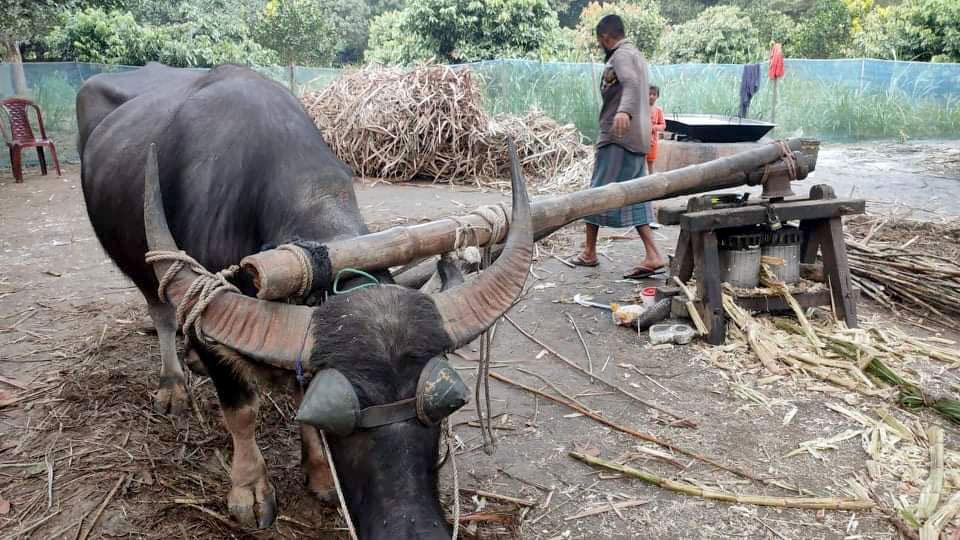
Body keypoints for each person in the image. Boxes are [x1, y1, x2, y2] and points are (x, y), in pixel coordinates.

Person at [567, 14, 665, 279]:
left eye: (600, 40)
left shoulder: (620, 55)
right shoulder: (637, 55)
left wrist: (624, 111)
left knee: (596, 193)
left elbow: (631, 84)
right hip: (637, 139)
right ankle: (653, 253)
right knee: (635, 194)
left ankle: (589, 252)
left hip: (619, 137)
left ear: (605, 37)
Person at [647, 85, 665, 173]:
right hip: (640, 140)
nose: (651, 96)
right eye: (649, 94)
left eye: (654, 94)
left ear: (657, 96)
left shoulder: (658, 110)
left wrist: (654, 127)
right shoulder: (641, 108)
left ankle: (650, 179)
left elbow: (663, 125)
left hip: (652, 141)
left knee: (650, 162)